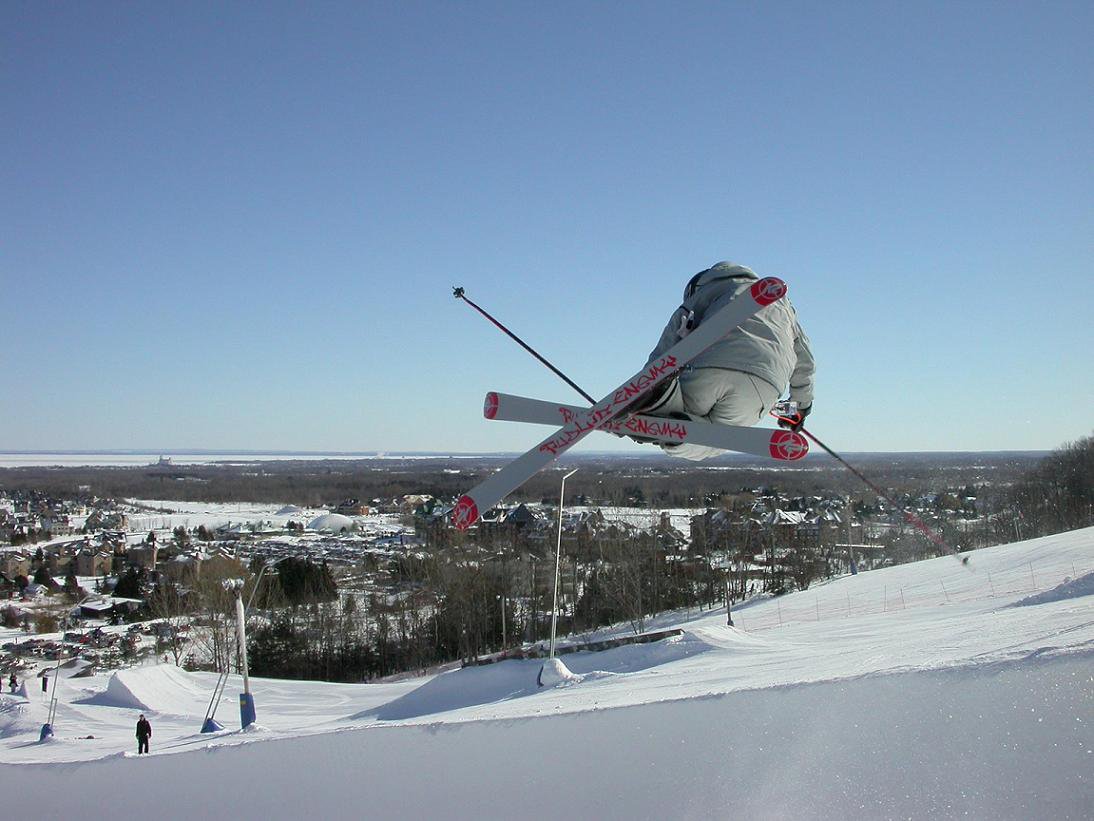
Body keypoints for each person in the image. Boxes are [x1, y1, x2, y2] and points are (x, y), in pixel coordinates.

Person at [639, 261, 815, 461]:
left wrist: (643, 388)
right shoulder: (785, 308)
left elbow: (670, 340)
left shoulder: (707, 292)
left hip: (709, 368)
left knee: (672, 408)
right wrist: (799, 408)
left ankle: (663, 415)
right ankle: (680, 437)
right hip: (765, 385)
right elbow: (805, 363)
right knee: (717, 439)